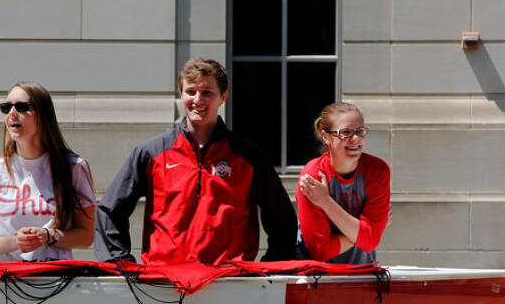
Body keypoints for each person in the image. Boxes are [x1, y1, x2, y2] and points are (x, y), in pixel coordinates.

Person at [94, 58, 297, 265]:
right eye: (191, 92)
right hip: (164, 284)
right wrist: (120, 264)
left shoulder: (249, 156)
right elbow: (110, 210)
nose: (198, 99)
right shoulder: (151, 152)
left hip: (230, 284)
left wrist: (271, 270)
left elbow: (283, 221)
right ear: (181, 95)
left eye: (207, 93)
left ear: (223, 97)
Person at [0, 81, 96, 261]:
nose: (12, 113)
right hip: (6, 282)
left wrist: (48, 236)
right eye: (6, 107)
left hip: (55, 280)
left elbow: (86, 236)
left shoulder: (73, 167)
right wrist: (16, 241)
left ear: (43, 115)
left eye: (22, 107)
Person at [296, 102, 390, 264]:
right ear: (326, 137)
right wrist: (364, 233)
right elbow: (320, 251)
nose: (355, 139)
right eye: (346, 132)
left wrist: (325, 202)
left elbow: (371, 242)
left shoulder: (378, 170)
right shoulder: (313, 176)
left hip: (363, 273)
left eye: (360, 131)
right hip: (317, 277)